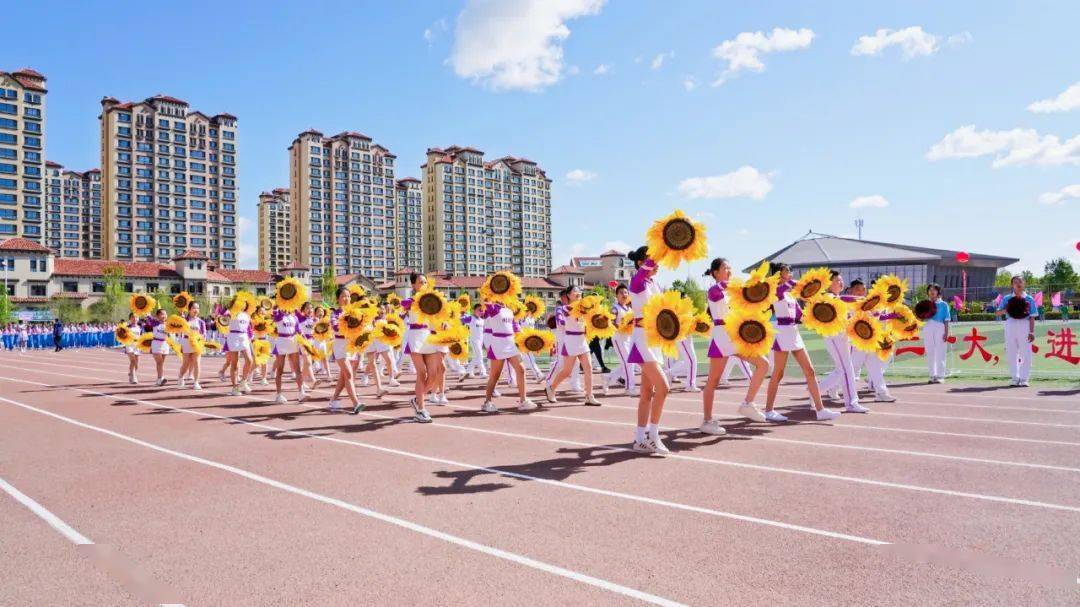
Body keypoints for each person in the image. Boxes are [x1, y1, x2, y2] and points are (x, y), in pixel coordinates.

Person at [762, 264, 841, 422]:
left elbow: (802, 316)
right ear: (778, 274)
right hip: (782, 333)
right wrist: (806, 285)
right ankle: (769, 410)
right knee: (778, 373)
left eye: (790, 271)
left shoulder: (791, 295)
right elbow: (792, 286)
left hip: (794, 333)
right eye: (787, 271)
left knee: (810, 371)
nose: (790, 274)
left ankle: (820, 410)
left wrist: (822, 314)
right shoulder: (776, 291)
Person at [700, 257, 770, 431]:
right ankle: (707, 421)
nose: (729, 271)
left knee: (763, 364)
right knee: (712, 382)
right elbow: (721, 289)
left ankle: (748, 403)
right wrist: (742, 285)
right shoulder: (714, 290)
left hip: (735, 336)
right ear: (715, 273)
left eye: (730, 268)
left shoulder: (731, 292)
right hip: (721, 337)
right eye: (725, 268)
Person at [625, 246, 672, 453]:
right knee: (664, 387)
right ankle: (653, 435)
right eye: (653, 259)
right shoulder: (636, 282)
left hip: (655, 339)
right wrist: (660, 248)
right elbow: (646, 269)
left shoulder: (655, 283)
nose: (658, 263)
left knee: (647, 392)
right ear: (641, 262)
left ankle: (639, 439)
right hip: (642, 337)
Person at [817, 271, 870, 413]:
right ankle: (852, 403)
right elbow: (841, 300)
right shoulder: (828, 297)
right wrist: (858, 299)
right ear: (829, 283)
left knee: (845, 370)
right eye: (837, 280)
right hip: (834, 336)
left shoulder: (839, 297)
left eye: (841, 280)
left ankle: (814, 391)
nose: (841, 283)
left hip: (843, 337)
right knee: (846, 369)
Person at [544, 285, 601, 405]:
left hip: (582, 340)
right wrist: (565, 318)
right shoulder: (563, 309)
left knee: (589, 367)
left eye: (579, 291)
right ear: (568, 295)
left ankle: (589, 396)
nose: (578, 292)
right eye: (575, 291)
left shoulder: (585, 307)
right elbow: (560, 322)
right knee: (567, 371)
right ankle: (551, 388)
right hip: (571, 339)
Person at [480, 298, 538, 412]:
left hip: (510, 343)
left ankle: (523, 400)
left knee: (521, 369)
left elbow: (516, 328)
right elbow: (485, 302)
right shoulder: (494, 308)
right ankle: (487, 402)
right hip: (497, 343)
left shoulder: (509, 310)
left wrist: (526, 339)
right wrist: (490, 298)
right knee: (495, 375)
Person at [401, 273, 440, 423]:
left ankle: (417, 398)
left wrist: (442, 324)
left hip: (428, 336)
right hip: (415, 336)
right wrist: (414, 301)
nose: (424, 284)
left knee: (433, 375)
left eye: (425, 281)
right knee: (421, 373)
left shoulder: (432, 302)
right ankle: (421, 410)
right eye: (420, 282)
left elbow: (435, 318)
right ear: (413, 285)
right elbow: (404, 304)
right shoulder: (411, 301)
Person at [996, 276, 1038, 387]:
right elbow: (998, 313)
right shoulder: (1007, 298)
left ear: (1024, 284)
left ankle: (1024, 379)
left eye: (1020, 281)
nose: (1018, 284)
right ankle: (1015, 378)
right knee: (1011, 352)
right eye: (1015, 282)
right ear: (1012, 285)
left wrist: (1032, 332)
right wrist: (1008, 308)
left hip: (1025, 324)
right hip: (1010, 324)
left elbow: (1033, 316)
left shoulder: (1029, 298)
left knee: (1026, 352)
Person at [328, 287, 365, 413]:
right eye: (343, 296)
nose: (347, 298)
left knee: (344, 377)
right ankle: (356, 403)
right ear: (338, 299)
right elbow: (336, 327)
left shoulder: (355, 312)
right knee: (348, 374)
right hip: (339, 345)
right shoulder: (335, 314)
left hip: (351, 345)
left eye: (348, 296)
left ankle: (333, 399)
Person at [605, 284, 637, 395]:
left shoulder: (629, 309)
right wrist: (620, 327)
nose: (624, 294)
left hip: (629, 338)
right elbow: (611, 322)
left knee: (630, 362)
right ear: (617, 295)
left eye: (625, 292)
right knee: (628, 363)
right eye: (621, 293)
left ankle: (609, 377)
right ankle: (629, 388)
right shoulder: (615, 308)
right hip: (618, 339)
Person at [224, 296, 254, 396]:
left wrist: (250, 337)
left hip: (244, 337)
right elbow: (221, 314)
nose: (243, 304)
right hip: (233, 336)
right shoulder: (230, 312)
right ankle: (235, 387)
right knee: (235, 364)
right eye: (240, 302)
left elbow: (249, 327)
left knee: (250, 360)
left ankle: (243, 382)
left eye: (244, 302)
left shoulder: (247, 315)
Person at [923, 283, 950, 384]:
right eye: (930, 290)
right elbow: (922, 317)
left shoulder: (944, 304)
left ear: (938, 292)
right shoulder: (925, 304)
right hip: (928, 327)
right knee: (930, 351)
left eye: (934, 290)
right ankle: (932, 375)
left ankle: (940, 375)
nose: (932, 291)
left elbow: (946, 320)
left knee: (940, 352)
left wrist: (946, 333)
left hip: (940, 328)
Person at [177, 302, 206, 390]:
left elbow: (204, 334)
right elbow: (179, 331)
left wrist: (200, 340)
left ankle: (196, 382)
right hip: (186, 342)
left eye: (197, 308)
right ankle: (181, 376)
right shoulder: (184, 319)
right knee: (186, 363)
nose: (196, 310)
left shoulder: (201, 322)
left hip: (197, 344)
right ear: (189, 310)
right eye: (194, 308)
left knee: (197, 363)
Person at [146, 308, 171, 386]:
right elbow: (149, 317)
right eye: (162, 314)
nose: (164, 316)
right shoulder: (155, 322)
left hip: (165, 344)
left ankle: (159, 379)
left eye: (165, 314)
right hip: (156, 343)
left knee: (161, 363)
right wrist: (147, 313)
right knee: (159, 362)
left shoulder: (168, 324)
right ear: (158, 316)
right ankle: (161, 378)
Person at [122, 313, 143, 384]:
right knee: (133, 361)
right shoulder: (127, 327)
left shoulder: (140, 327)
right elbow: (123, 336)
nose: (135, 319)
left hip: (137, 345)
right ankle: (134, 377)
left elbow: (142, 336)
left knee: (137, 364)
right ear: (130, 318)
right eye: (133, 317)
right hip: (129, 345)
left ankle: (131, 373)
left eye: (136, 317)